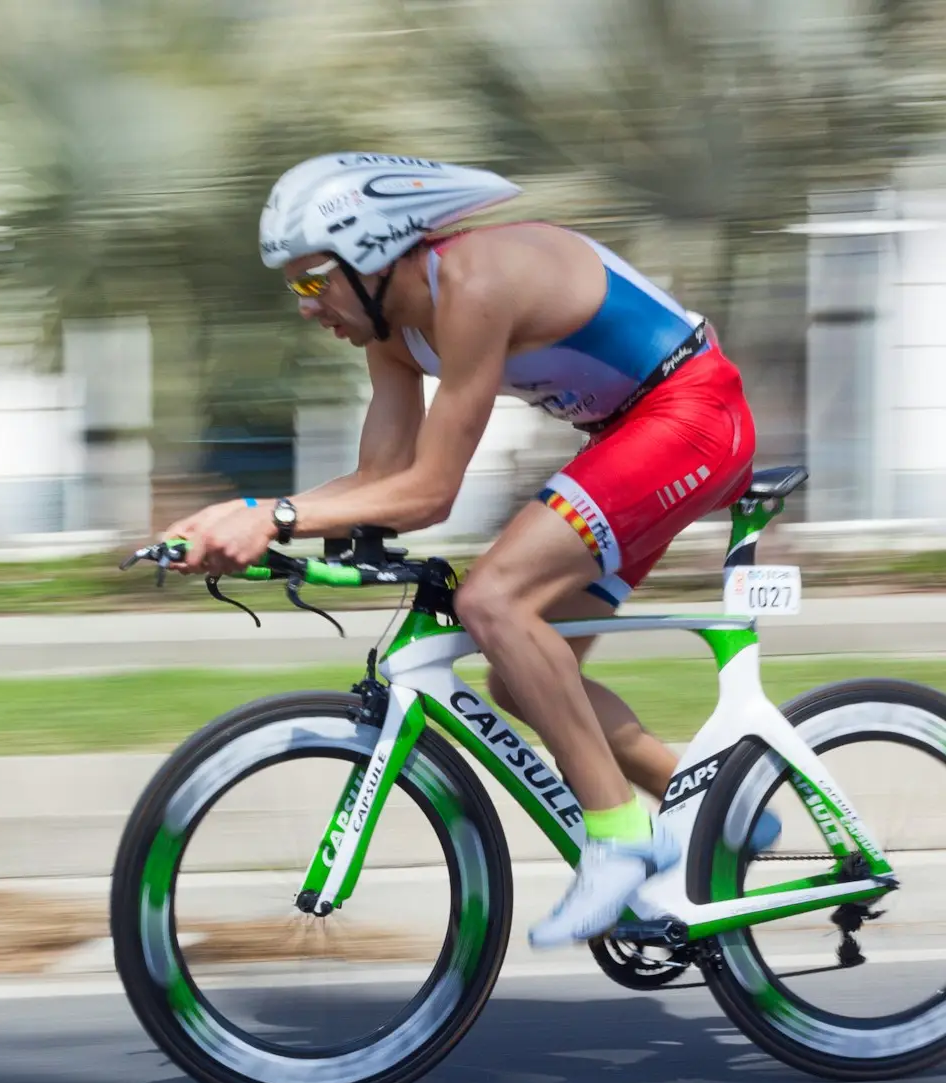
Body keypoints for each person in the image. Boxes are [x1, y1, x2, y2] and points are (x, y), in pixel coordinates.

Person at [166, 151, 775, 947]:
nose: (307, 308)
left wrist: (273, 516)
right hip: (631, 438)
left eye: (315, 283)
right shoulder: (393, 332)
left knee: (492, 601)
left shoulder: (475, 287)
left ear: (375, 255)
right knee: (524, 677)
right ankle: (716, 813)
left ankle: (622, 834)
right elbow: (380, 478)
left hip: (693, 417)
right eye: (295, 289)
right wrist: (240, 518)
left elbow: (430, 493)